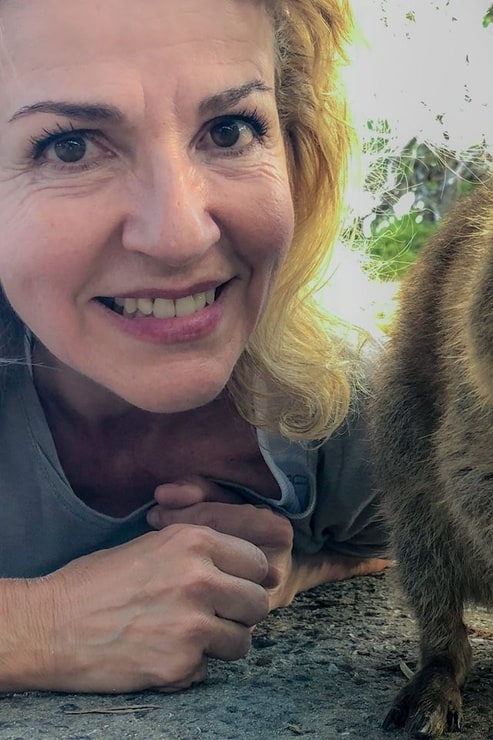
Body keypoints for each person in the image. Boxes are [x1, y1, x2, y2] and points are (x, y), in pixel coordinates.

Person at [0, 0, 389, 693]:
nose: (180, 235)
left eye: (230, 129)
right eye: (71, 146)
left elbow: (416, 551)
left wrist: (296, 569)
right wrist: (42, 625)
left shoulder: (356, 408)